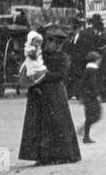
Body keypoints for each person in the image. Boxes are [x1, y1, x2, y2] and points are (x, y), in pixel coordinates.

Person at [18, 26, 82, 166]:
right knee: (40, 125)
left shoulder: (63, 57)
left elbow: (61, 75)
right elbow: (31, 68)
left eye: (59, 43)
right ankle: (42, 156)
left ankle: (61, 155)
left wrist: (43, 76)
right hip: (39, 93)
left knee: (57, 124)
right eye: (54, 42)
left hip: (55, 93)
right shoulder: (40, 55)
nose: (57, 46)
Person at [79, 49, 103, 144]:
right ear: (96, 60)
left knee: (91, 116)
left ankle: (85, 134)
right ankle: (85, 135)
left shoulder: (87, 69)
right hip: (91, 97)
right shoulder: (93, 70)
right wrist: (97, 95)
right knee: (94, 115)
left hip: (86, 96)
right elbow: (93, 84)